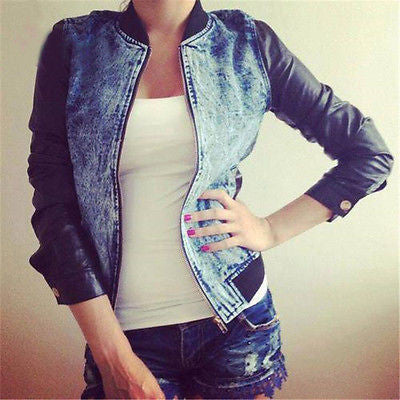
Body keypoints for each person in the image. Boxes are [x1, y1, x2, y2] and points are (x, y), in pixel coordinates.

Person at [26, 0, 394, 399]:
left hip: (237, 325)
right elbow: (53, 205)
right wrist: (111, 355)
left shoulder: (248, 44)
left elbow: (369, 154)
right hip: (124, 333)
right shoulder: (74, 46)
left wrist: (270, 230)